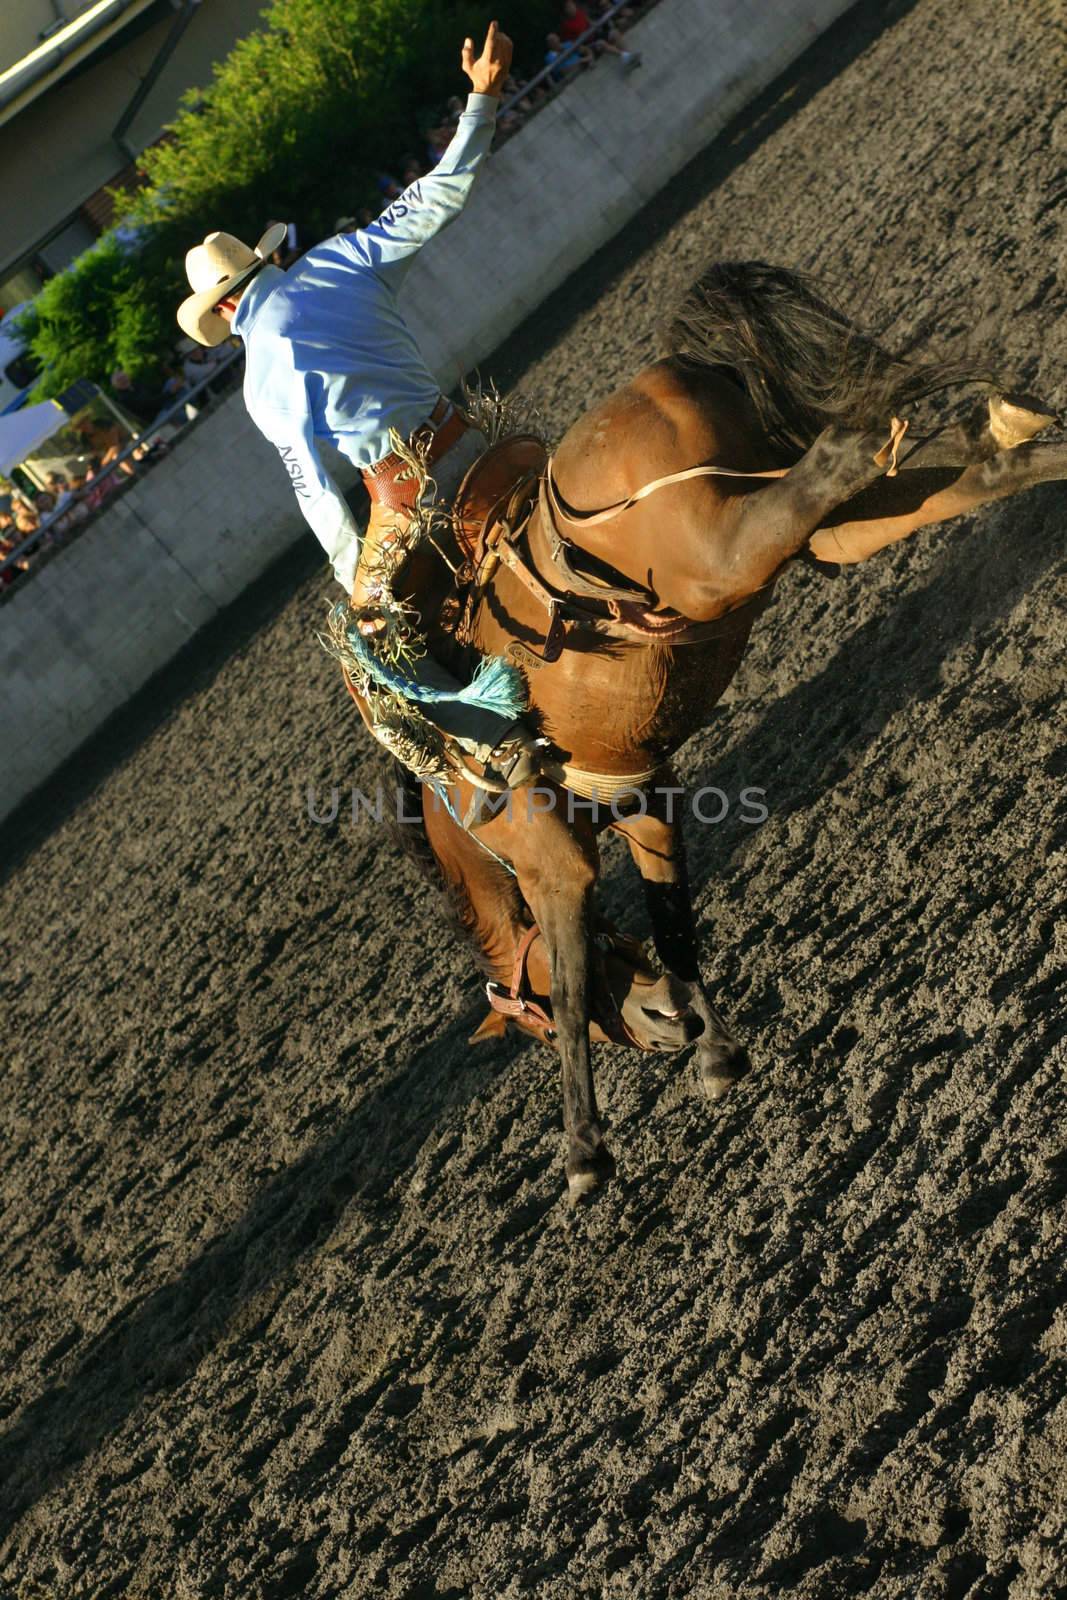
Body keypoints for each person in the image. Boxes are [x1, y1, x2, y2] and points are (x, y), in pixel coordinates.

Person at [176, 22, 540, 788]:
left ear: (222, 314)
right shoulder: (340, 259)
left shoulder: (260, 381)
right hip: (473, 439)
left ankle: (496, 746)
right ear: (262, 261)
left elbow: (317, 494)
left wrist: (355, 582)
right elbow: (438, 195)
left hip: (415, 500)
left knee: (367, 657)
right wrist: (481, 97)